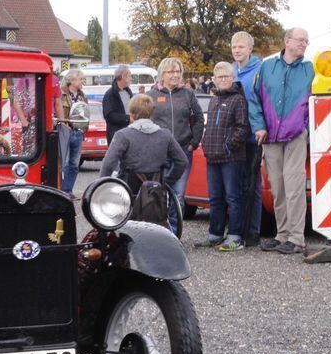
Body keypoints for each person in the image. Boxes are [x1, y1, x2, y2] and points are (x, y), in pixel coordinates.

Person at [249, 27, 314, 255]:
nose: (304, 44)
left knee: (294, 186)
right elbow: (254, 98)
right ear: (287, 41)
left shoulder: (310, 69)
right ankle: (282, 234)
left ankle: (297, 237)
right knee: (278, 186)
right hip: (271, 135)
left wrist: (306, 127)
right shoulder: (267, 67)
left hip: (296, 135)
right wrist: (258, 126)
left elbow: (320, 101)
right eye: (300, 40)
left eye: (307, 41)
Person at [194, 62, 250, 252]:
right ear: (214, 80)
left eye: (226, 76)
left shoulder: (238, 99)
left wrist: (229, 145)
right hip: (213, 157)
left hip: (231, 158)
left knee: (233, 198)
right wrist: (205, 143)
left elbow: (243, 127)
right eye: (219, 77)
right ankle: (215, 235)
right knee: (215, 198)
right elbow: (210, 126)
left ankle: (235, 237)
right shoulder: (214, 99)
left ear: (232, 78)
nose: (223, 80)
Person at [148, 57, 205, 234]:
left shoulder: (188, 94)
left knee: (178, 195)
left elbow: (198, 118)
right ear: (162, 74)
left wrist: (194, 142)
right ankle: (159, 232)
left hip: (182, 152)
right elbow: (142, 119)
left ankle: (173, 233)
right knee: (159, 193)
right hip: (159, 153)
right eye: (171, 71)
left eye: (178, 71)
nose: (175, 75)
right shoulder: (151, 96)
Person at [99, 93, 188, 196]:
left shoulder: (123, 135)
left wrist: (101, 186)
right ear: (151, 113)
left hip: (128, 191)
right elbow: (182, 161)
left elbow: (108, 164)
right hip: (156, 190)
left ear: (131, 114)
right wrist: (167, 181)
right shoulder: (165, 135)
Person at [230, 30, 264, 244]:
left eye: (241, 47)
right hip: (236, 135)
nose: (237, 51)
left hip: (253, 135)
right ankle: (237, 229)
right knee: (237, 184)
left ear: (250, 49)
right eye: (234, 47)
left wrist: (261, 126)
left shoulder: (260, 70)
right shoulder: (231, 71)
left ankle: (253, 230)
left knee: (253, 184)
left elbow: (263, 101)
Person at [56, 69, 87, 195]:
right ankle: (60, 191)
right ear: (72, 80)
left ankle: (68, 190)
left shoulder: (83, 95)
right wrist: (63, 125)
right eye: (80, 79)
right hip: (65, 131)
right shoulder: (61, 94)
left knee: (74, 164)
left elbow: (85, 113)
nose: (82, 82)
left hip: (78, 132)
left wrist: (84, 129)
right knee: (63, 163)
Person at [101, 64, 133, 144]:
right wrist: (128, 118)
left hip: (129, 132)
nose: (131, 79)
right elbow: (108, 115)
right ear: (123, 76)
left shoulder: (128, 92)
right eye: (129, 76)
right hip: (116, 136)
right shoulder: (110, 94)